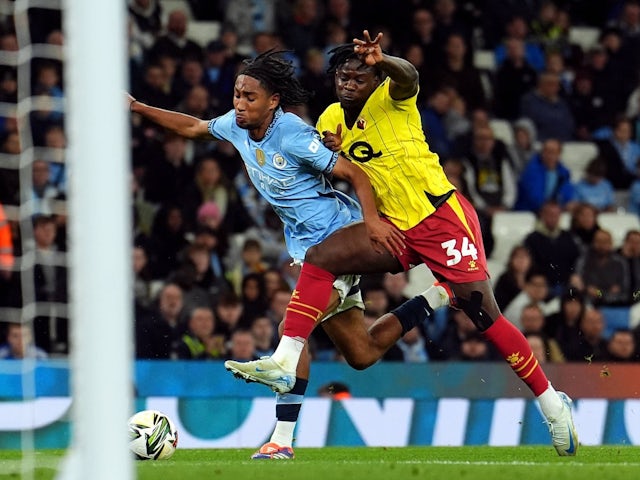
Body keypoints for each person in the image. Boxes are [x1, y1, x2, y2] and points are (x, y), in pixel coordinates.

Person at [225, 31, 577, 458]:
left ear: (375, 81)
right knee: (322, 257)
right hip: (390, 227)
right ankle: (286, 357)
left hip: (441, 219)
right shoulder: (330, 119)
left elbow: (408, 76)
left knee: (484, 316)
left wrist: (384, 59)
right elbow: (334, 168)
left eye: (359, 77)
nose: (350, 83)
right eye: (344, 76)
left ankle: (552, 405)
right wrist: (331, 149)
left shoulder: (394, 97)